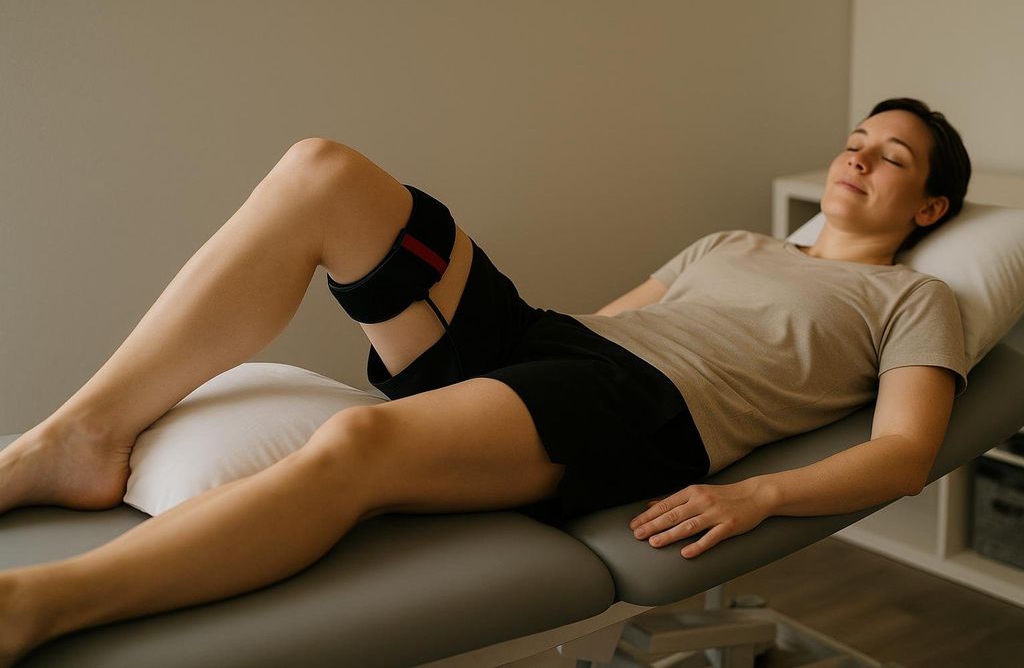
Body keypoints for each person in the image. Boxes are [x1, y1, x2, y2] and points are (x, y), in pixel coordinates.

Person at [0, 97, 971, 663]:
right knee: (321, 172)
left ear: (928, 206)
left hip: (644, 407)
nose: (859, 157)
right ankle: (74, 439)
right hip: (559, 346)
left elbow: (903, 453)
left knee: (358, 440)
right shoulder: (732, 242)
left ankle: (39, 603)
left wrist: (758, 493)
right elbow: (613, 317)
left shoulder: (914, 298)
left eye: (892, 157)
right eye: (856, 139)